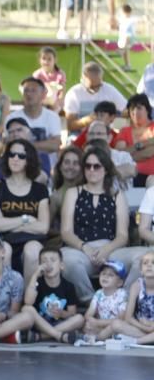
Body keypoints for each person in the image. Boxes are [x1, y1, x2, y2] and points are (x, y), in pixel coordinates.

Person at [60, 146, 134, 303]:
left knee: (144, 257)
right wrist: (85, 247)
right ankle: (92, 302)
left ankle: (121, 301)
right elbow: (66, 232)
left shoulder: (116, 195)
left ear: (106, 170)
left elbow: (122, 235)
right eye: (88, 166)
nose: (91, 170)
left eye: (97, 166)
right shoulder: (73, 193)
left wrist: (105, 250)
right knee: (67, 261)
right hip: (80, 250)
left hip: (111, 249)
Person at [0, 139, 49, 281]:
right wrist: (25, 219)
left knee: (32, 250)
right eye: (12, 154)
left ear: (29, 160)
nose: (15, 158)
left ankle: (28, 299)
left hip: (32, 240)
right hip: (4, 240)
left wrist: (6, 223)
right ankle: (7, 300)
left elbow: (43, 227)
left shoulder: (40, 190)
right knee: (4, 250)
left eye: (21, 156)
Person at [20, 247, 83, 344]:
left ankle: (41, 337)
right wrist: (35, 275)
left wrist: (62, 313)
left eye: (53, 260)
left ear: (61, 265)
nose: (48, 264)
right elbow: (28, 302)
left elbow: (72, 314)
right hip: (40, 323)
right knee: (26, 309)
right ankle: (58, 335)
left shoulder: (68, 286)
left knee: (79, 319)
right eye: (44, 261)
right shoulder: (37, 283)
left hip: (60, 323)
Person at [6, 76, 62, 171]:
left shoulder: (52, 117)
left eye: (33, 90)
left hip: (47, 169)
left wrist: (26, 145)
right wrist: (44, 144)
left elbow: (55, 145)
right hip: (20, 168)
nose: (29, 94)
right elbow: (8, 145)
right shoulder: (12, 118)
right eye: (26, 91)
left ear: (43, 94)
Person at [101, 251, 154, 344]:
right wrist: (144, 327)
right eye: (145, 263)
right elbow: (128, 317)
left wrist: (151, 325)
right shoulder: (137, 286)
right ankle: (148, 340)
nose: (149, 265)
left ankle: (137, 341)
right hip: (140, 327)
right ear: (141, 270)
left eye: (153, 262)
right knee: (116, 324)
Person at [63, 61, 127, 134]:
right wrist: (86, 121)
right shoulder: (74, 93)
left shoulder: (109, 89)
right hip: (80, 133)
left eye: (98, 86)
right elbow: (70, 125)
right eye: (91, 87)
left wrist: (111, 118)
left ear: (102, 79)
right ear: (82, 79)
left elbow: (126, 110)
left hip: (105, 133)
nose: (95, 90)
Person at [81, 260, 128, 343]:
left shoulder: (122, 294)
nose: (105, 277)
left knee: (116, 327)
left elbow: (121, 318)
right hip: (100, 326)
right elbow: (88, 314)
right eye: (103, 274)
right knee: (87, 326)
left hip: (114, 326)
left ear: (120, 282)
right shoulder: (98, 293)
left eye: (110, 275)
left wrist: (98, 322)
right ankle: (100, 337)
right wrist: (90, 320)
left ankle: (98, 338)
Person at [113, 94, 154, 187]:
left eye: (139, 108)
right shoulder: (125, 131)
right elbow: (119, 155)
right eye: (132, 109)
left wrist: (130, 153)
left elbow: (150, 152)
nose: (135, 112)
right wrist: (143, 144)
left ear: (147, 110)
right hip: (130, 176)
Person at [51, 146, 84, 230]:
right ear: (60, 167)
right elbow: (47, 228)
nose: (70, 167)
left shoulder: (91, 189)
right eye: (66, 162)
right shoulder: (56, 196)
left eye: (75, 163)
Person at [33, 46, 66, 111]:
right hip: (40, 104)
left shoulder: (60, 74)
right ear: (39, 60)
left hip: (56, 105)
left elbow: (62, 92)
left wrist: (57, 103)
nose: (46, 62)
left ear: (55, 60)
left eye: (49, 59)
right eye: (44, 59)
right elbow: (34, 92)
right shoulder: (37, 74)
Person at [118, 4, 138, 71]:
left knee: (125, 49)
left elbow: (128, 31)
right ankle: (127, 64)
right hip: (125, 36)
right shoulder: (124, 20)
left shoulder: (129, 20)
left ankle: (128, 64)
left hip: (128, 36)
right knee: (125, 51)